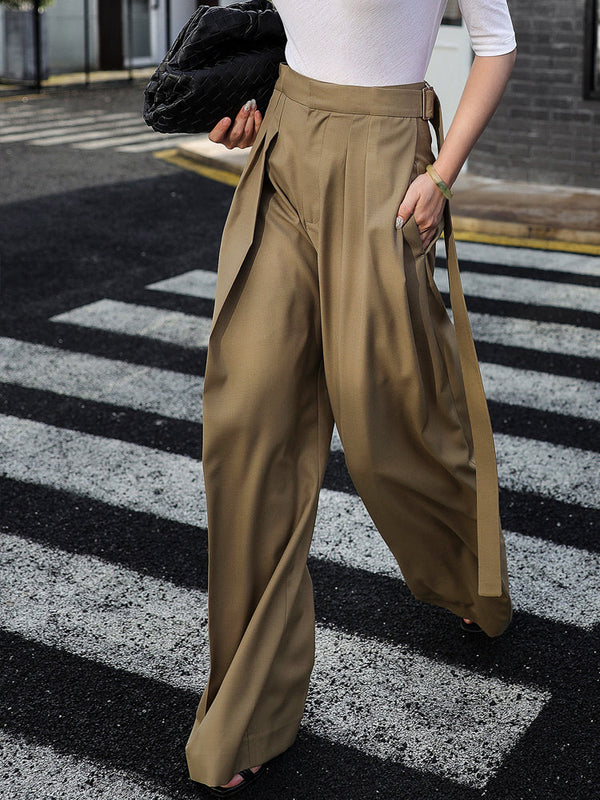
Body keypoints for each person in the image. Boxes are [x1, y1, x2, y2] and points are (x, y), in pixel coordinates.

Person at [186, 0, 517, 793]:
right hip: (288, 143)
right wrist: (242, 108)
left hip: (386, 164)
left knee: (390, 428)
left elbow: (495, 45)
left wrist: (442, 175)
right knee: (248, 420)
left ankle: (468, 571)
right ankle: (247, 709)